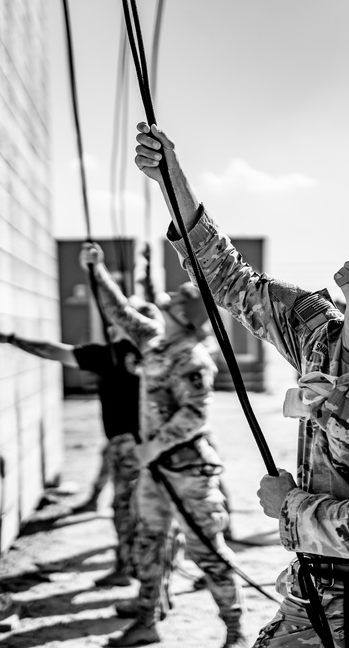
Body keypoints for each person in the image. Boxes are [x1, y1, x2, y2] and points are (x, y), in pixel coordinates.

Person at [134, 122, 349, 647]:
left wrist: (291, 507)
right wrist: (171, 184)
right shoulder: (315, 331)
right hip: (313, 591)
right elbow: (230, 280)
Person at [80, 243, 245, 648]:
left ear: (182, 316)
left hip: (187, 471)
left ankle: (236, 631)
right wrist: (96, 271)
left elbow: (195, 416)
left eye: (175, 299)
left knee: (208, 553)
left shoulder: (193, 360)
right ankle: (146, 619)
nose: (166, 299)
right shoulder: (153, 340)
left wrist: (154, 447)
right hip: (155, 472)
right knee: (148, 542)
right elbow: (118, 312)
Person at [0, 316, 146, 588]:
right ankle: (153, 576)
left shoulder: (109, 354)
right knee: (152, 508)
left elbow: (51, 350)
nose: (112, 323)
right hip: (153, 445)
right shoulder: (157, 353)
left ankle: (128, 569)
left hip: (127, 445)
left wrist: (11, 338)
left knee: (125, 508)